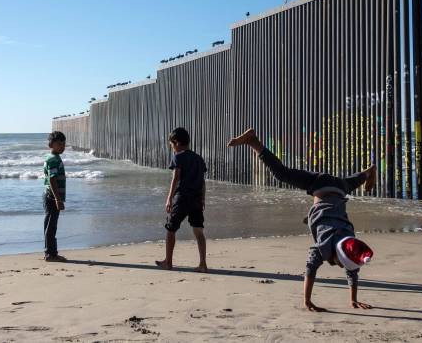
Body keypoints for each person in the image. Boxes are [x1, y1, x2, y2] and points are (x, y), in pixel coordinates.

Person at [227, 128, 376, 311]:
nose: (339, 265)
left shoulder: (350, 239)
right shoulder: (325, 243)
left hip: (340, 187)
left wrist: (353, 299)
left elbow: (352, 271)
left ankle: (368, 172)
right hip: (321, 184)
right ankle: (253, 142)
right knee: (282, 174)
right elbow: (310, 268)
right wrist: (307, 301)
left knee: (354, 181)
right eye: (339, 263)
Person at [156, 127, 208, 273]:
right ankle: (203, 264)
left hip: (182, 199)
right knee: (199, 231)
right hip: (197, 199)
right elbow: (203, 181)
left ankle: (168, 262)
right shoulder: (198, 158)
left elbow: (175, 178)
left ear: (177, 143)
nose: (172, 148)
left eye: (172, 145)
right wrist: (203, 198)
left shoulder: (178, 157)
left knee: (170, 229)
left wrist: (169, 199)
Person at [43, 131, 67, 262]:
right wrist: (58, 199)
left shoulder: (53, 157)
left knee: (50, 225)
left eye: (64, 144)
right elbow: (52, 180)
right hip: (52, 197)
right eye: (59, 144)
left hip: (50, 196)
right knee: (51, 226)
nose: (62, 147)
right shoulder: (53, 159)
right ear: (51, 144)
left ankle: (50, 252)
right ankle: (51, 254)